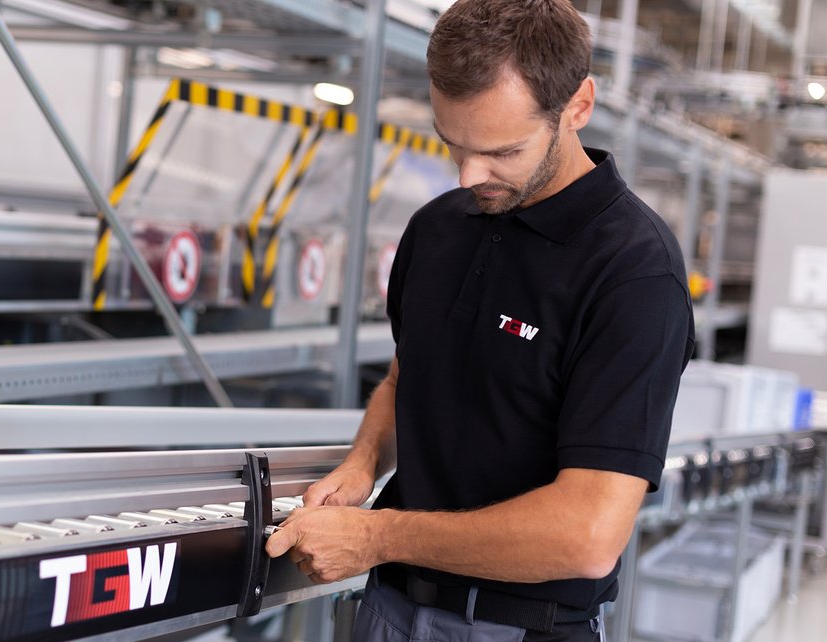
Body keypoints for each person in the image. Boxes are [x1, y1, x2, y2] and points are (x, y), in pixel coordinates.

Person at [265, 1, 696, 640]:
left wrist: (378, 537)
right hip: (386, 611)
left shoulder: (634, 273)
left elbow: (587, 537)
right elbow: (406, 379)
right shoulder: (438, 228)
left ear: (577, 106)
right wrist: (363, 462)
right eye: (452, 145)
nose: (469, 177)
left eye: (502, 151)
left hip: (514, 626)